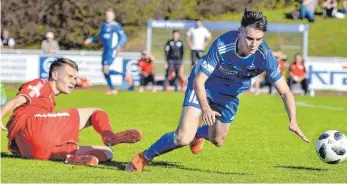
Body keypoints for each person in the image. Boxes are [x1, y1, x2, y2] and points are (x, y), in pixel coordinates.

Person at [125, 9, 310, 172]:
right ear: (240, 32)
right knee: (182, 138)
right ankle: (145, 156)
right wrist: (205, 108)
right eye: (249, 38)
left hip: (229, 96)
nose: (254, 44)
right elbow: (199, 80)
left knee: (218, 140)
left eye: (259, 39)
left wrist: (293, 120)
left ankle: (198, 133)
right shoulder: (223, 45)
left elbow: (285, 91)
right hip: (204, 87)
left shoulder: (265, 56)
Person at [0, 58, 142, 166]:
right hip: (33, 125)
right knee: (96, 112)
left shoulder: (48, 100)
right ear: (54, 75)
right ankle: (109, 136)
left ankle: (70, 158)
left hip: (30, 149)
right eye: (70, 76)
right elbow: (18, 100)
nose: (74, 82)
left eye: (75, 78)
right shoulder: (41, 83)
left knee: (107, 153)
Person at [84, 8, 132, 95]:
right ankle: (112, 89)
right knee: (104, 71)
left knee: (106, 69)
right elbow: (99, 36)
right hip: (105, 51)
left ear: (113, 16)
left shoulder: (116, 25)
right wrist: (91, 39)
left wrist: (119, 45)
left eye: (110, 15)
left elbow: (124, 37)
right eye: (107, 15)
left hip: (112, 50)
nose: (108, 16)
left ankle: (124, 74)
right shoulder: (104, 26)